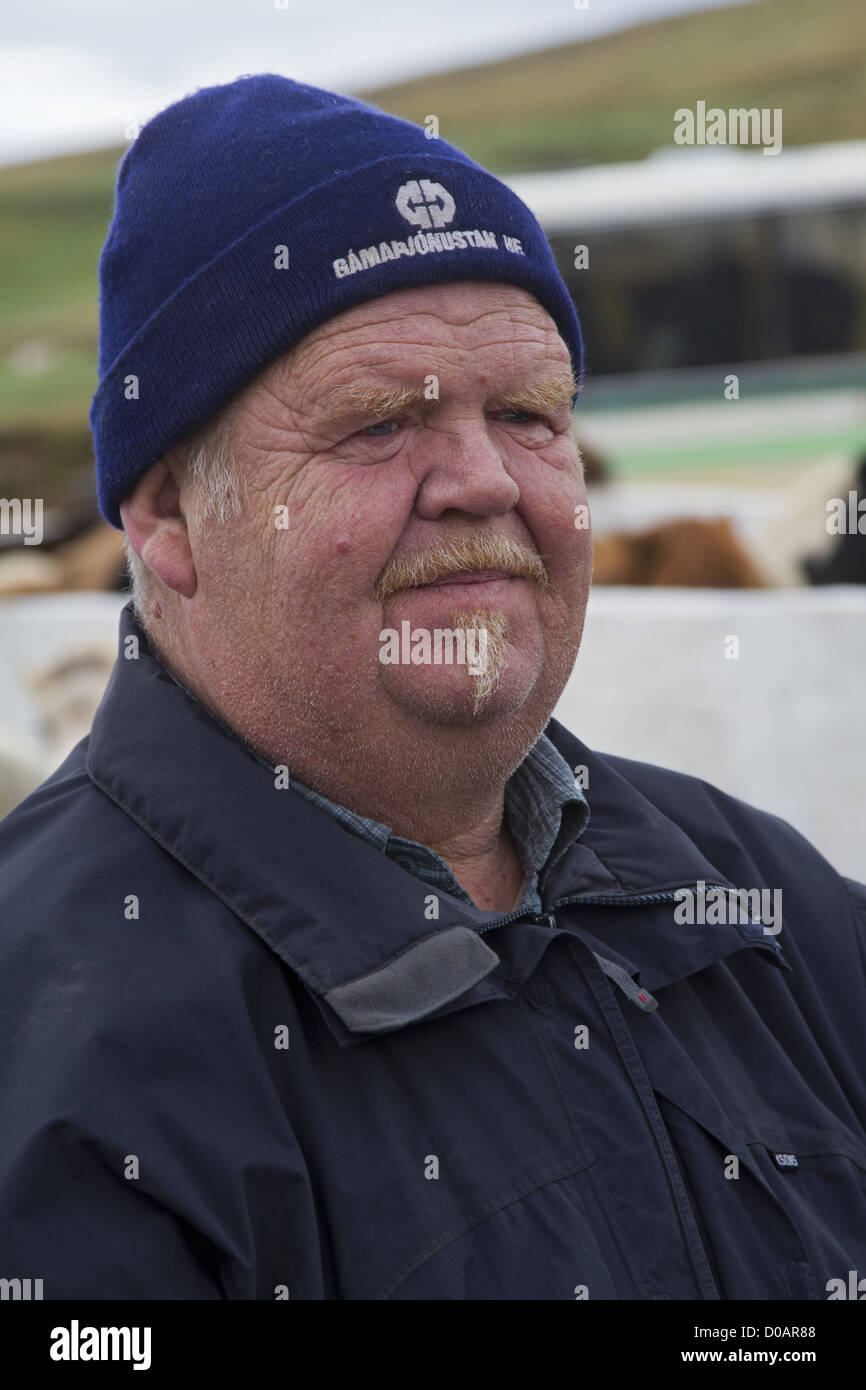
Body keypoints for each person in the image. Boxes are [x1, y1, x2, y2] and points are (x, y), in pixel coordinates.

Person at [0, 74, 864, 1302]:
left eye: (525, 413)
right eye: (375, 426)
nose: (481, 482)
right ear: (168, 511)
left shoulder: (768, 903)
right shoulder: (50, 1054)